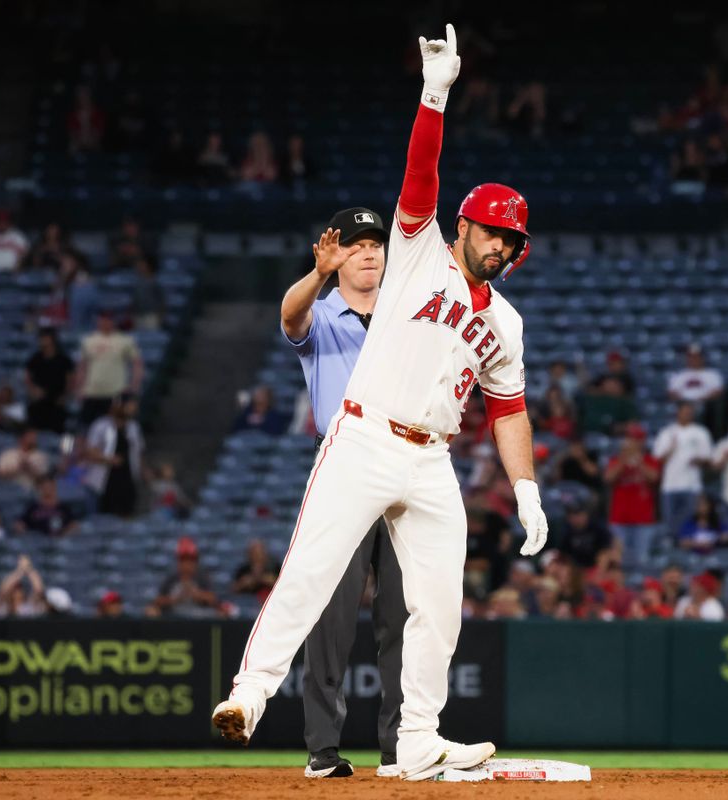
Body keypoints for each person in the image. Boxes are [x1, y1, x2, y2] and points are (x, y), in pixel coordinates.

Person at [213, 27, 547, 783]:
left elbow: (509, 407)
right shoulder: (419, 248)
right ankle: (249, 696)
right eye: (493, 231)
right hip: (361, 440)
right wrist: (435, 94)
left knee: (439, 604)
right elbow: (420, 172)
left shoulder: (506, 320)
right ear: (465, 225)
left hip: (431, 460)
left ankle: (421, 740)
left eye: (512, 239)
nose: (501, 245)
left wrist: (525, 487)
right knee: (309, 573)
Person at [276, 206, 405, 778]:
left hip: (404, 472)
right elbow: (290, 314)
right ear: (336, 253)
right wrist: (318, 274)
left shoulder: (408, 316)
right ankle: (323, 752)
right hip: (342, 470)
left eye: (376, 242)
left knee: (403, 617)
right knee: (331, 621)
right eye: (355, 244)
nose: (369, 251)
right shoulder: (322, 316)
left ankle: (404, 749)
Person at [604, 424, 661, 568]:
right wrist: (624, 460)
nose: (631, 442)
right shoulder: (616, 460)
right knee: (618, 562)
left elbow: (654, 478)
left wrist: (638, 461)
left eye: (635, 439)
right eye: (629, 438)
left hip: (643, 518)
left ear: (642, 441)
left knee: (642, 562)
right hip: (619, 518)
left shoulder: (649, 459)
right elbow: (608, 478)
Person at [652, 402, 713, 536]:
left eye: (690, 412)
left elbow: (708, 459)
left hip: (692, 485)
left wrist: (698, 460)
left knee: (690, 524)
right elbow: (657, 459)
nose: (687, 414)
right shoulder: (667, 432)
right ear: (678, 412)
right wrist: (671, 449)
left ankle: (689, 554)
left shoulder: (700, 432)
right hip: (669, 486)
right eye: (684, 411)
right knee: (669, 524)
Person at [74, 312, 143, 427]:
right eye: (103, 319)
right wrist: (79, 388)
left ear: (113, 321)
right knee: (85, 429)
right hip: (92, 393)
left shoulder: (125, 340)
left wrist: (133, 386)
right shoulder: (88, 341)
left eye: (108, 320)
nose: (105, 323)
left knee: (117, 427)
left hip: (115, 393)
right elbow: (82, 366)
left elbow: (137, 364)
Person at [85, 393, 144, 517]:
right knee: (103, 518)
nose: (132, 409)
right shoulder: (101, 425)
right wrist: (109, 459)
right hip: (104, 482)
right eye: (130, 406)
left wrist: (143, 473)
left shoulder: (134, 427)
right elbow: (90, 451)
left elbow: (138, 453)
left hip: (127, 481)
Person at [148, 537, 224, 618]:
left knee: (223, 613)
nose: (186, 565)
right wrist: (176, 599)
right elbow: (158, 601)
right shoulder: (172, 578)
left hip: (199, 616)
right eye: (183, 560)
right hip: (174, 617)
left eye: (190, 560)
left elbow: (213, 600)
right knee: (151, 611)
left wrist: (195, 594)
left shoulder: (201, 577)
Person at [25, 328, 75, 433]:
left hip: (57, 402)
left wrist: (65, 396)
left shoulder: (63, 359)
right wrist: (33, 390)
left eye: (45, 338)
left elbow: (70, 379)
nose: (42, 341)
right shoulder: (35, 359)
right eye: (41, 338)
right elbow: (27, 376)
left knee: (57, 433)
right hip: (39, 402)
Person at [67, 85, 105, 153]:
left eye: (86, 95)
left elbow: (97, 136)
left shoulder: (97, 113)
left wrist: (86, 123)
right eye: (81, 95)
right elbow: (73, 135)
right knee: (72, 147)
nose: (83, 98)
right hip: (78, 144)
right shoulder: (73, 114)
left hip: (93, 144)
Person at [131, 257, 165, 330]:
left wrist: (160, 316)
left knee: (152, 337)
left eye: (142, 265)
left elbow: (162, 300)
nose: (139, 267)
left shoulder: (155, 281)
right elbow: (135, 299)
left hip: (151, 315)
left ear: (148, 266)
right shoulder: (137, 281)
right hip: (138, 314)